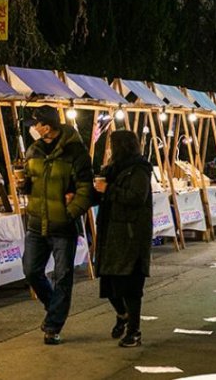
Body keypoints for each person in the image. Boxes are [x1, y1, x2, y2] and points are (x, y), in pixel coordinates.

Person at [19, 105, 93, 345]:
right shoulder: (34, 150)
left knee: (62, 275)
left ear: (46, 127)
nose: (33, 128)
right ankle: (55, 308)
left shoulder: (76, 152)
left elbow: (85, 189)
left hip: (63, 227)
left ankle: (53, 326)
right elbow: (29, 180)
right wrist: (23, 183)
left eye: (36, 124)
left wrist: (69, 212)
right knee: (31, 270)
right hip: (36, 223)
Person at [93, 130, 152, 348]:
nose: (109, 150)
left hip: (131, 235)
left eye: (112, 145)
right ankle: (122, 314)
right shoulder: (112, 169)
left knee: (130, 286)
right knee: (108, 281)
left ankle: (134, 331)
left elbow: (137, 197)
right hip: (110, 233)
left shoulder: (139, 169)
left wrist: (109, 189)